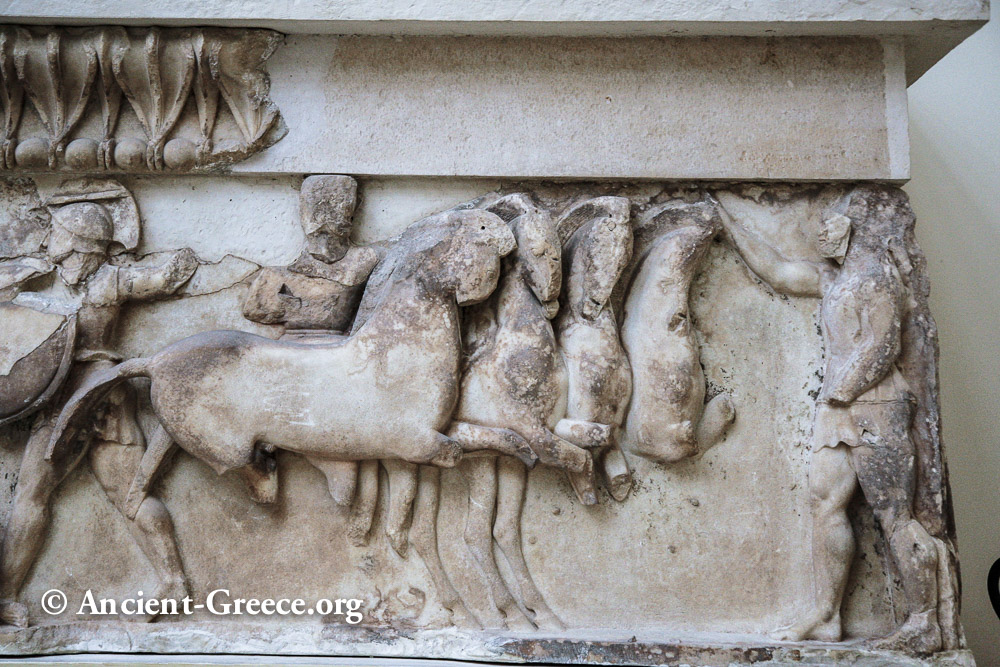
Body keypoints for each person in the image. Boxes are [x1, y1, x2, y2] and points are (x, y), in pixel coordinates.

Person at [719, 186, 943, 652]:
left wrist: (840, 391)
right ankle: (826, 616)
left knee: (894, 517)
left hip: (876, 407)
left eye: (832, 221)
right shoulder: (833, 279)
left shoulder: (879, 279)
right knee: (824, 504)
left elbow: (882, 347)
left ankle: (924, 621)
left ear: (856, 229)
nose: (822, 231)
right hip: (840, 411)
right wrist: (726, 222)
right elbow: (778, 270)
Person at [0, 180, 197, 627]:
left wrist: (184, 259)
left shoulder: (108, 280)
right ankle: (8, 596)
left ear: (77, 243)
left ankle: (174, 583)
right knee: (56, 495)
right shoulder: (42, 278)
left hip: (88, 395)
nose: (52, 240)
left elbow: (161, 280)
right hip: (82, 393)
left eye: (59, 234)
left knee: (57, 494)